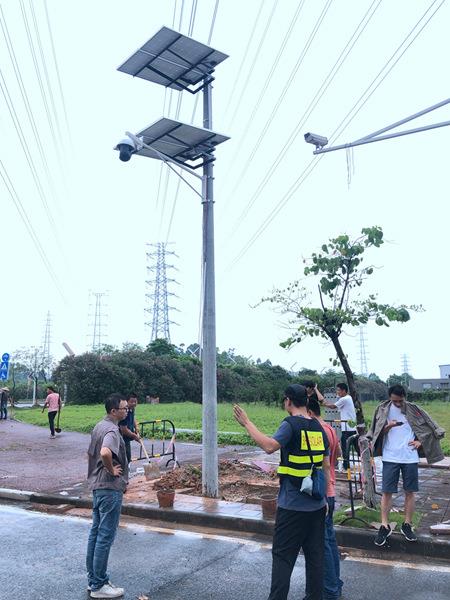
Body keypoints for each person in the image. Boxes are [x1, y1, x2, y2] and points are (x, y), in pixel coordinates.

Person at [234, 384, 330, 600]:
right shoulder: (318, 427)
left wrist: (247, 423)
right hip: (316, 506)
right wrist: (325, 500)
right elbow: (325, 467)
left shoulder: (290, 424)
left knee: (283, 559)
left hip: (292, 507)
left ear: (288, 401)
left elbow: (269, 446)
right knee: (315, 559)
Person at [368, 384, 445, 547]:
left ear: (405, 397)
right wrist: (387, 427)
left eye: (400, 401)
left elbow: (433, 427)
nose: (398, 404)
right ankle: (384, 525)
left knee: (410, 492)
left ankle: (407, 525)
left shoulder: (414, 409)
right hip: (390, 457)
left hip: (409, 457)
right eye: (395, 401)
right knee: (386, 492)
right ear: (390, 397)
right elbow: (374, 434)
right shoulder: (382, 410)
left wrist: (420, 441)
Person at [86, 393, 129, 598]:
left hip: (97, 486)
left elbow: (90, 453)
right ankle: (99, 585)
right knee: (105, 536)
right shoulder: (111, 429)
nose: (126, 411)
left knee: (95, 535)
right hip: (109, 488)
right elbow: (104, 453)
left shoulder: (99, 426)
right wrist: (112, 470)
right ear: (114, 411)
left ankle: (93, 580)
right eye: (124, 408)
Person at [308, 398, 343, 600]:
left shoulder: (315, 430)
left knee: (323, 543)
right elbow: (336, 455)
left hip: (323, 491)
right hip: (331, 488)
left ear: (310, 412)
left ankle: (329, 591)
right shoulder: (330, 429)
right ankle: (335, 584)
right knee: (329, 540)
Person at [321, 383, 356, 469]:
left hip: (347, 428)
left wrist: (323, 403)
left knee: (345, 448)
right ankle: (363, 462)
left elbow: (333, 406)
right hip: (351, 427)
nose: (337, 392)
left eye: (338, 390)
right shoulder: (348, 398)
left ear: (344, 390)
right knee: (355, 447)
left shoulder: (345, 399)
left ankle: (346, 466)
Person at [119, 393, 140, 463]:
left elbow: (133, 418)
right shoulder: (125, 412)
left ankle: (127, 470)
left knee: (128, 457)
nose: (134, 403)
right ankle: (124, 471)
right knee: (125, 457)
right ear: (127, 402)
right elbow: (123, 429)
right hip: (122, 439)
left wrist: (136, 427)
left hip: (127, 437)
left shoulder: (132, 409)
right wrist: (134, 436)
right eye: (131, 402)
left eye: (135, 401)